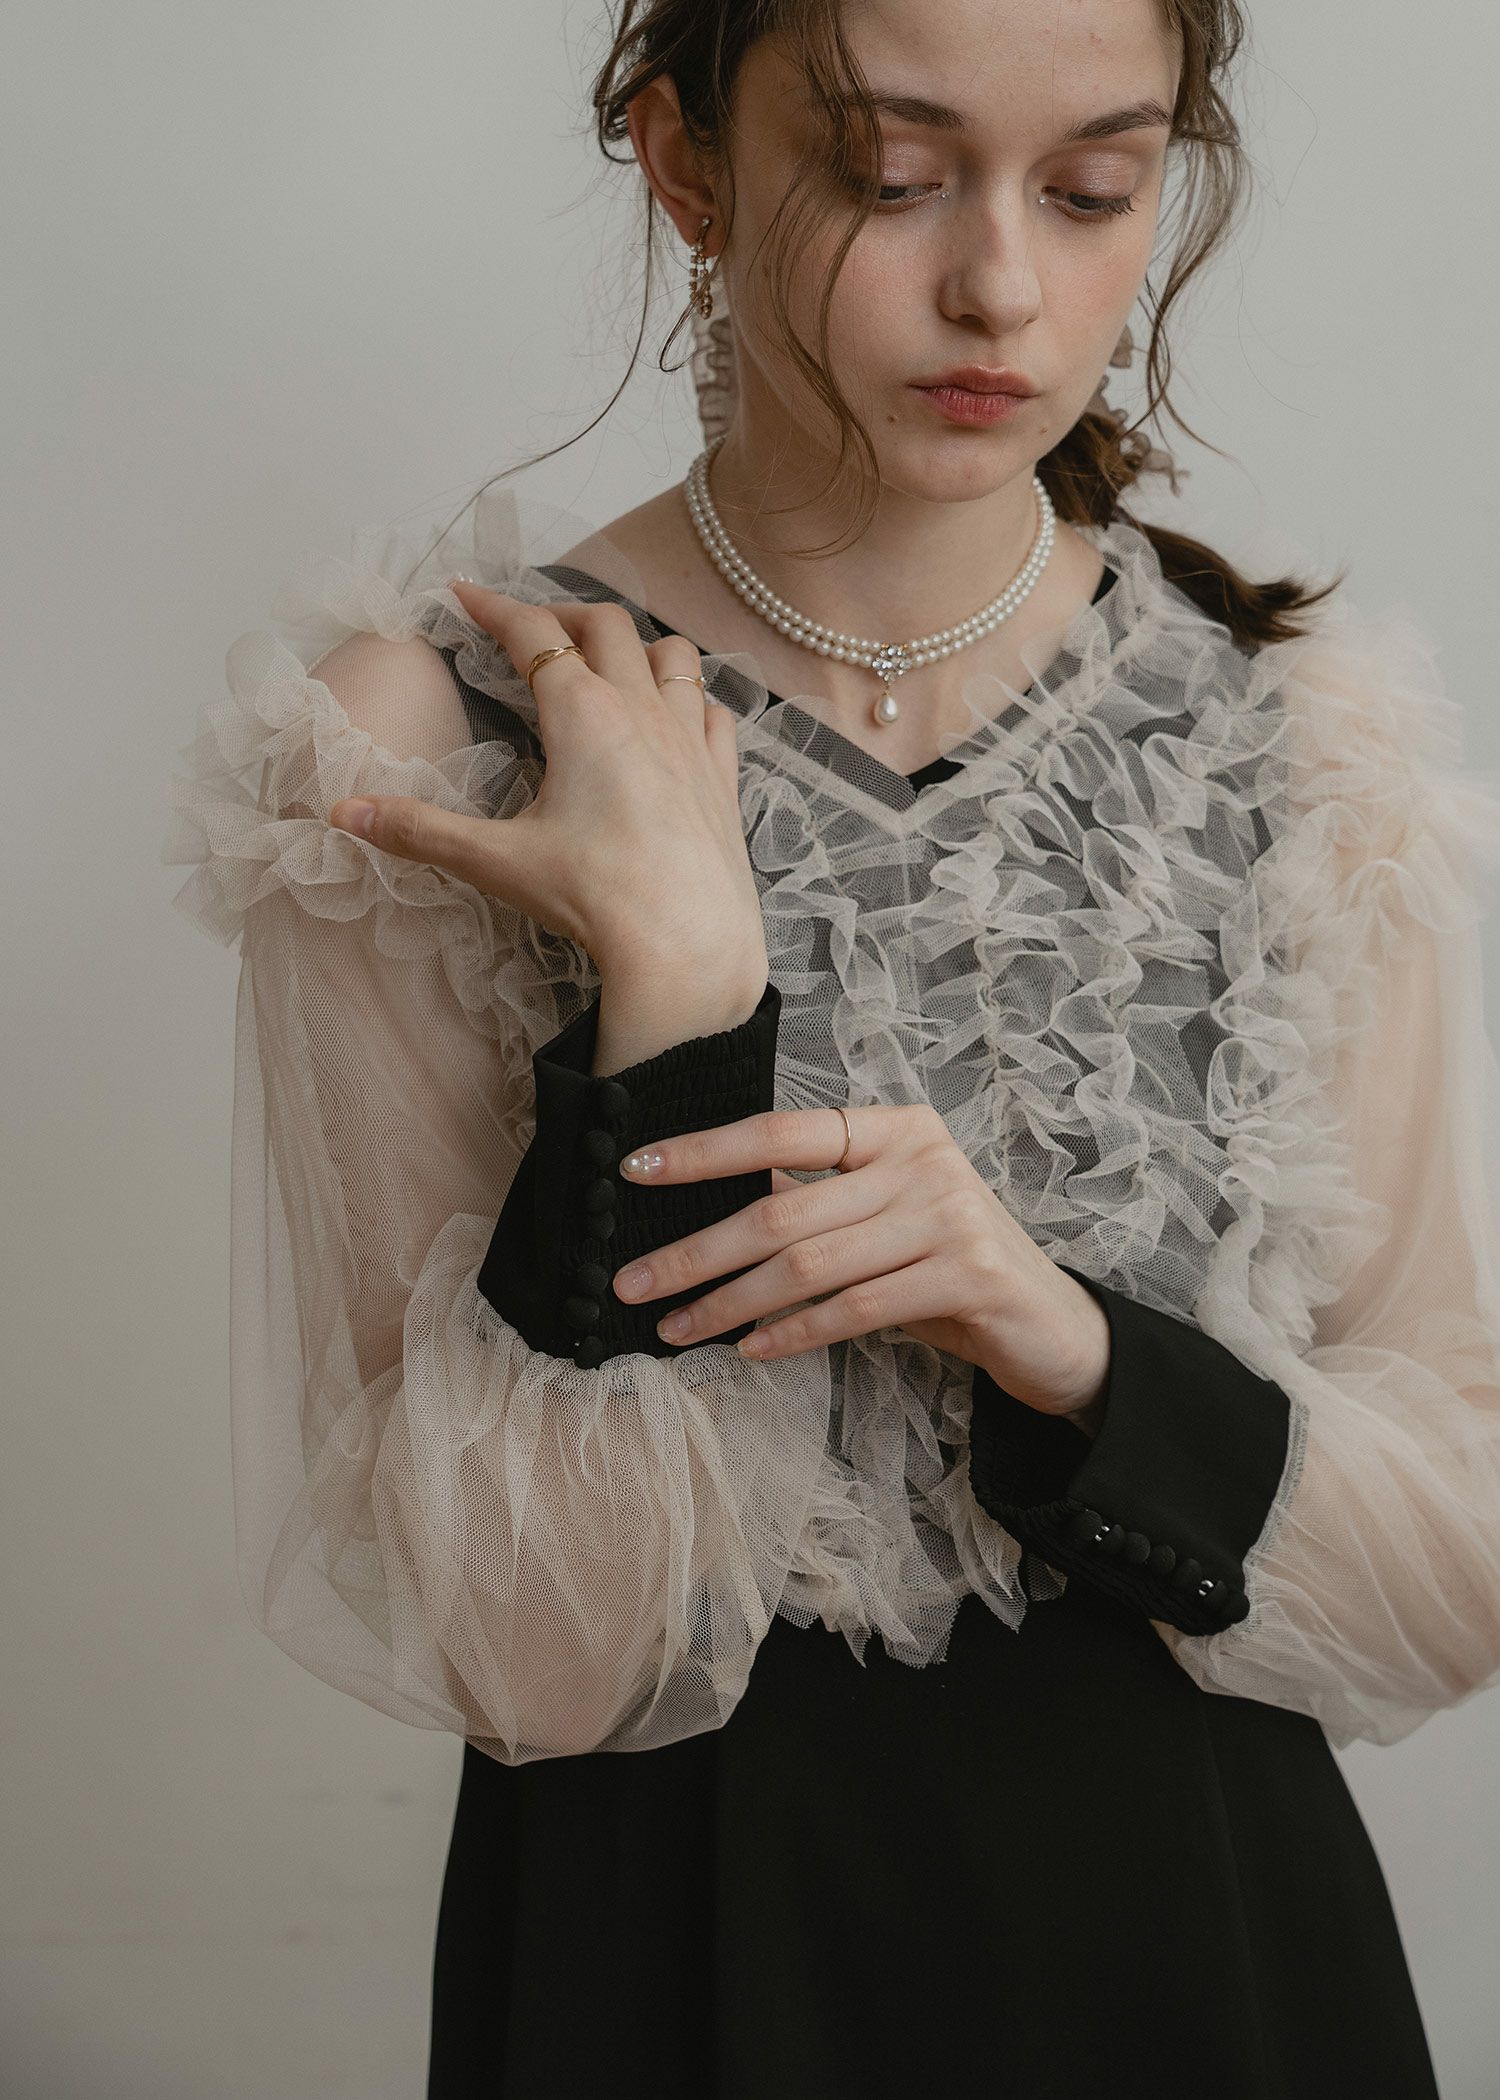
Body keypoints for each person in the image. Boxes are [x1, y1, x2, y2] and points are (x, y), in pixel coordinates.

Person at [162, 0, 1500, 2091]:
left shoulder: (1297, 744)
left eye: (1095, 188)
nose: (1002, 286)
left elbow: (1454, 1568)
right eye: (892, 176)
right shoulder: (424, 751)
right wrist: (682, 1008)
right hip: (667, 1975)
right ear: (684, 157)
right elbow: (523, 1652)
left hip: (1213, 1966)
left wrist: (1072, 1354)